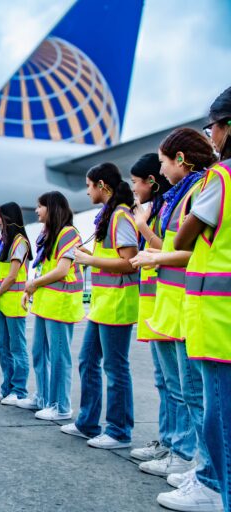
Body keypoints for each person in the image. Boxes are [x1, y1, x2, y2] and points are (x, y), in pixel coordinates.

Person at [130, 128, 221, 512]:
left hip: (191, 301)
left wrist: (150, 245)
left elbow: (184, 251)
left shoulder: (201, 190)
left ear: (180, 160)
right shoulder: (183, 194)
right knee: (183, 391)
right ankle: (200, 467)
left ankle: (203, 469)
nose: (161, 170)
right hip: (176, 304)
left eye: (164, 162)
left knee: (197, 397)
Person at [173, 85, 231, 512]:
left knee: (219, 415)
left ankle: (215, 488)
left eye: (213, 126)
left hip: (218, 315)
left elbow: (184, 236)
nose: (210, 136)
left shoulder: (220, 177)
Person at [129, 153, 198, 478]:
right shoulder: (163, 206)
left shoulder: (171, 206)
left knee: (182, 387)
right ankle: (170, 442)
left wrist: (142, 226)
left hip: (171, 301)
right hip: (157, 303)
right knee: (166, 382)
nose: (133, 189)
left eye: (136, 182)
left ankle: (182, 451)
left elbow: (169, 251)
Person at [61, 163, 139, 450]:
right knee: (87, 360)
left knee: (116, 368)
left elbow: (130, 261)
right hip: (103, 303)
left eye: (89, 185)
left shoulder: (121, 216)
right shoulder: (108, 215)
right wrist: (86, 253)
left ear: (102, 185)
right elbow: (111, 256)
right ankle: (88, 422)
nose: (87, 190)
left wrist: (89, 260)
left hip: (117, 303)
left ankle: (119, 431)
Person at [19, 192, 85, 421]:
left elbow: (62, 270)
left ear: (52, 208)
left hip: (61, 304)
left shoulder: (68, 233)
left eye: (40, 206)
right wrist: (33, 290)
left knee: (59, 357)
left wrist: (32, 284)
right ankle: (43, 397)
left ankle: (61, 406)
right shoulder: (48, 234)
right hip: (47, 303)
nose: (36, 210)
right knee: (39, 352)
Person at [0, 202, 30, 405]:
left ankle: (19, 390)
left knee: (17, 348)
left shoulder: (19, 242)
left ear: (9, 217)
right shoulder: (3, 241)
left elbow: (12, 276)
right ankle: (6, 388)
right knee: (3, 347)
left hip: (14, 302)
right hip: (4, 301)